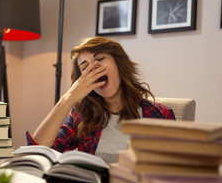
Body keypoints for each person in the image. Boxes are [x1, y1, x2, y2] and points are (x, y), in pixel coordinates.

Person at [26, 36, 175, 162]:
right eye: (85, 67)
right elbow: (38, 151)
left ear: (118, 64)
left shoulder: (161, 115)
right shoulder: (81, 115)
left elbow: (173, 169)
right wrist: (68, 98)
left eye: (100, 58)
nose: (93, 68)